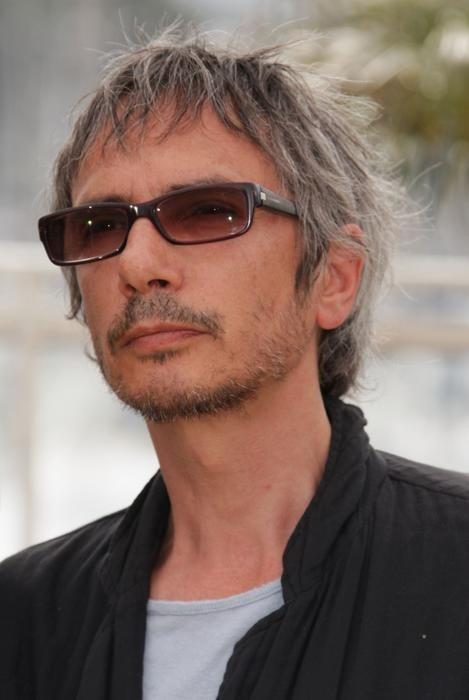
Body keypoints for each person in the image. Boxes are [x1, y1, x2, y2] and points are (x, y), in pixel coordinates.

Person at [1, 27, 469, 700]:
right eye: (101, 225)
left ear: (334, 276)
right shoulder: (24, 619)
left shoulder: (452, 572)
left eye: (207, 212)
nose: (138, 263)